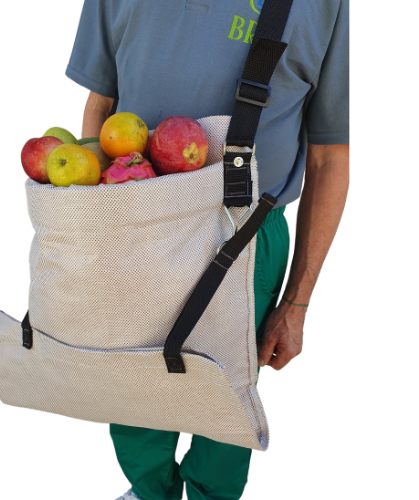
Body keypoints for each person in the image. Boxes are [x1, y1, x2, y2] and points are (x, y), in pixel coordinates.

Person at [65, 1, 349, 499]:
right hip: (134, 217)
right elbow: (100, 106)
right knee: (129, 387)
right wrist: (89, 224)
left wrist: (297, 303)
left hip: (245, 232)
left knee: (224, 403)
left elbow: (329, 157)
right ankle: (149, 492)